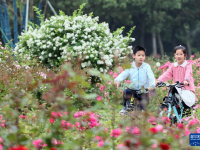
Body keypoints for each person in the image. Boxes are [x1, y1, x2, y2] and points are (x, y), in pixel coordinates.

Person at [114, 45, 156, 114]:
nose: (141, 57)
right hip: (132, 90)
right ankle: (126, 107)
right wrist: (117, 80)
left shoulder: (146, 67)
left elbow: (151, 76)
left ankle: (141, 111)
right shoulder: (130, 67)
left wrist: (152, 85)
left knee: (141, 110)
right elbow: (123, 74)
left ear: (145, 57)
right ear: (134, 56)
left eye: (143, 55)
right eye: (139, 55)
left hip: (143, 91)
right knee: (127, 91)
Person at [156, 45, 195, 110]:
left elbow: (188, 72)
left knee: (187, 105)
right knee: (171, 96)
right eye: (177, 54)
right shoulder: (173, 66)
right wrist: (159, 80)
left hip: (187, 88)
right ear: (174, 55)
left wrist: (186, 80)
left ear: (185, 55)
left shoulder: (187, 65)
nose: (178, 56)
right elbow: (167, 74)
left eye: (181, 54)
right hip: (177, 88)